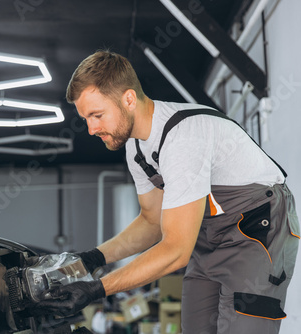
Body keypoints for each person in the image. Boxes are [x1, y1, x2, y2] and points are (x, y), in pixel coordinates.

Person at [32, 50, 300, 334]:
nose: (91, 128)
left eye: (97, 115)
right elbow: (151, 221)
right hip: (208, 240)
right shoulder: (136, 147)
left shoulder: (182, 138)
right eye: (86, 118)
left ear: (129, 99)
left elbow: (175, 250)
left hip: (257, 234)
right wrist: (94, 258)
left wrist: (97, 289)